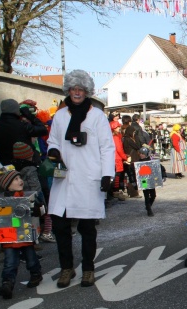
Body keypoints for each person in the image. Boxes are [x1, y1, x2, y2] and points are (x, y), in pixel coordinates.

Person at [47, 69, 116, 288]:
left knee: (87, 229)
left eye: (81, 89)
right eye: (73, 89)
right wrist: (54, 151)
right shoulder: (59, 115)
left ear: (86, 91)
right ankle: (66, 268)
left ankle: (88, 269)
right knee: (60, 227)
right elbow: (53, 140)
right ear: (68, 90)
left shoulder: (96, 116)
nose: (77, 93)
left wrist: (107, 174)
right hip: (65, 179)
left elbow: (107, 147)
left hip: (88, 178)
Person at [0, 170, 43, 299]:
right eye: (15, 179)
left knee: (31, 258)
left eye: (20, 177)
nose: (20, 180)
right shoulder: (1, 201)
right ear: (7, 185)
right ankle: (7, 283)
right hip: (9, 238)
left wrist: (37, 208)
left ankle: (36, 274)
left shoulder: (26, 197)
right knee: (10, 262)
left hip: (25, 236)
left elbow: (40, 211)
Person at [0, 98, 48, 165]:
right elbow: (43, 130)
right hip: (23, 165)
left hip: (2, 166)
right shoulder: (23, 126)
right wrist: (30, 116)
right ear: (16, 111)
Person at [121, 115, 141, 198]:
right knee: (132, 176)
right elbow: (138, 146)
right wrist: (136, 137)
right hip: (132, 159)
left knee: (131, 176)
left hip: (131, 159)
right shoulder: (128, 139)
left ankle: (134, 192)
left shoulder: (125, 138)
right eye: (133, 132)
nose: (134, 134)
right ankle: (133, 192)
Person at [110, 120, 128, 201]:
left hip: (113, 158)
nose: (119, 128)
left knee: (115, 176)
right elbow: (119, 149)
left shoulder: (111, 136)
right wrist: (125, 157)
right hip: (117, 158)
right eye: (117, 127)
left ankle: (114, 191)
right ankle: (116, 191)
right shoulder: (116, 137)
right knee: (117, 176)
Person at [137, 145, 157, 216]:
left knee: (153, 195)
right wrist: (133, 181)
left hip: (150, 179)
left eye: (143, 154)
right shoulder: (138, 163)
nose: (141, 155)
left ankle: (148, 205)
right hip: (144, 180)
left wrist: (163, 175)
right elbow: (133, 172)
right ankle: (149, 209)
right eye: (140, 153)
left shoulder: (151, 161)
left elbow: (159, 168)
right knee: (146, 195)